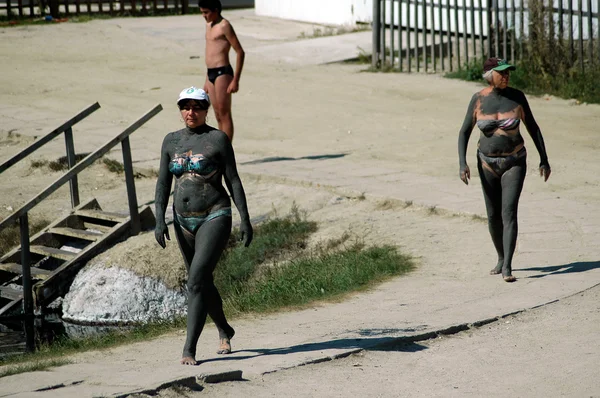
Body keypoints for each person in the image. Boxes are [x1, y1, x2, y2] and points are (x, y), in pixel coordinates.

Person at [154, 86, 253, 365]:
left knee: (195, 280)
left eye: (196, 107)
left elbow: (234, 180)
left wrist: (245, 218)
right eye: (185, 107)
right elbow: (162, 183)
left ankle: (189, 350)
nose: (190, 112)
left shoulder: (217, 139)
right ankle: (224, 328)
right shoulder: (170, 141)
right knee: (202, 282)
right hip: (182, 219)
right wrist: (159, 218)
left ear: (206, 109)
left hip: (215, 214)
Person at [457, 58, 551, 283]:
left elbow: (534, 128)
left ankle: (508, 265)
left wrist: (544, 160)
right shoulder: (478, 99)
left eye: (508, 72)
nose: (506, 76)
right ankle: (500, 256)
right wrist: (463, 164)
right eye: (501, 73)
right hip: (486, 163)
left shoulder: (517, 97)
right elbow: (464, 132)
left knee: (508, 212)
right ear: (489, 75)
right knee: (492, 215)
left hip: (514, 161)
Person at [199, 0, 245, 142]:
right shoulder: (208, 25)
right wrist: (206, 79)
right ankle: (221, 146)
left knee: (225, 114)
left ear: (216, 10)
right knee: (217, 114)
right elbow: (210, 53)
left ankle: (227, 151)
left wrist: (235, 80)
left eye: (206, 12)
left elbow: (240, 52)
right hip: (211, 72)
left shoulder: (224, 25)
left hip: (222, 73)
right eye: (202, 13)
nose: (204, 16)